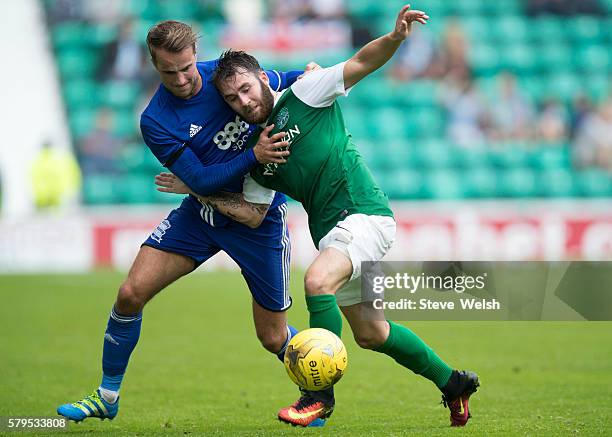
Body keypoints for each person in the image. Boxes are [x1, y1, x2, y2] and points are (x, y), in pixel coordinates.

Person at [156, 5, 479, 428]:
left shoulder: (306, 92)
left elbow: (362, 61)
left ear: (261, 77)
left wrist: (396, 37)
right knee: (371, 334)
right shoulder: (257, 155)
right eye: (233, 99)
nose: (244, 102)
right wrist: (199, 188)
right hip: (333, 235)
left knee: (316, 281)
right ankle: (452, 382)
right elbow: (252, 214)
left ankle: (317, 398)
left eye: (248, 89)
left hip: (365, 215)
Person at [57, 20, 317, 424]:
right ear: (153, 64)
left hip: (257, 220)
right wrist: (254, 156)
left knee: (272, 337)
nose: (180, 79)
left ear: (196, 55)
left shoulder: (226, 76)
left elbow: (281, 81)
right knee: (130, 293)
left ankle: (318, 391)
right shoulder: (156, 121)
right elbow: (199, 181)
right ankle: (107, 396)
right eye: (168, 72)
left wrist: (310, 75)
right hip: (202, 213)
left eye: (186, 68)